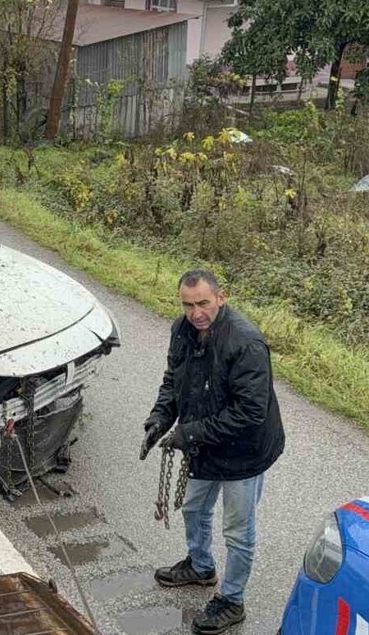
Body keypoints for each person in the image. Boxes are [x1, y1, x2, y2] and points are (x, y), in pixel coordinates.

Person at [140, 269, 285, 635]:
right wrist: (160, 417)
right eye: (188, 305)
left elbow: (250, 412)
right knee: (192, 507)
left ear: (221, 297)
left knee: (237, 532)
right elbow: (174, 379)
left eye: (203, 303)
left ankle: (232, 600)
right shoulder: (182, 330)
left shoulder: (246, 342)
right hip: (201, 442)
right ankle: (201, 566)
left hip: (244, 452)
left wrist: (188, 433)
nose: (196, 313)